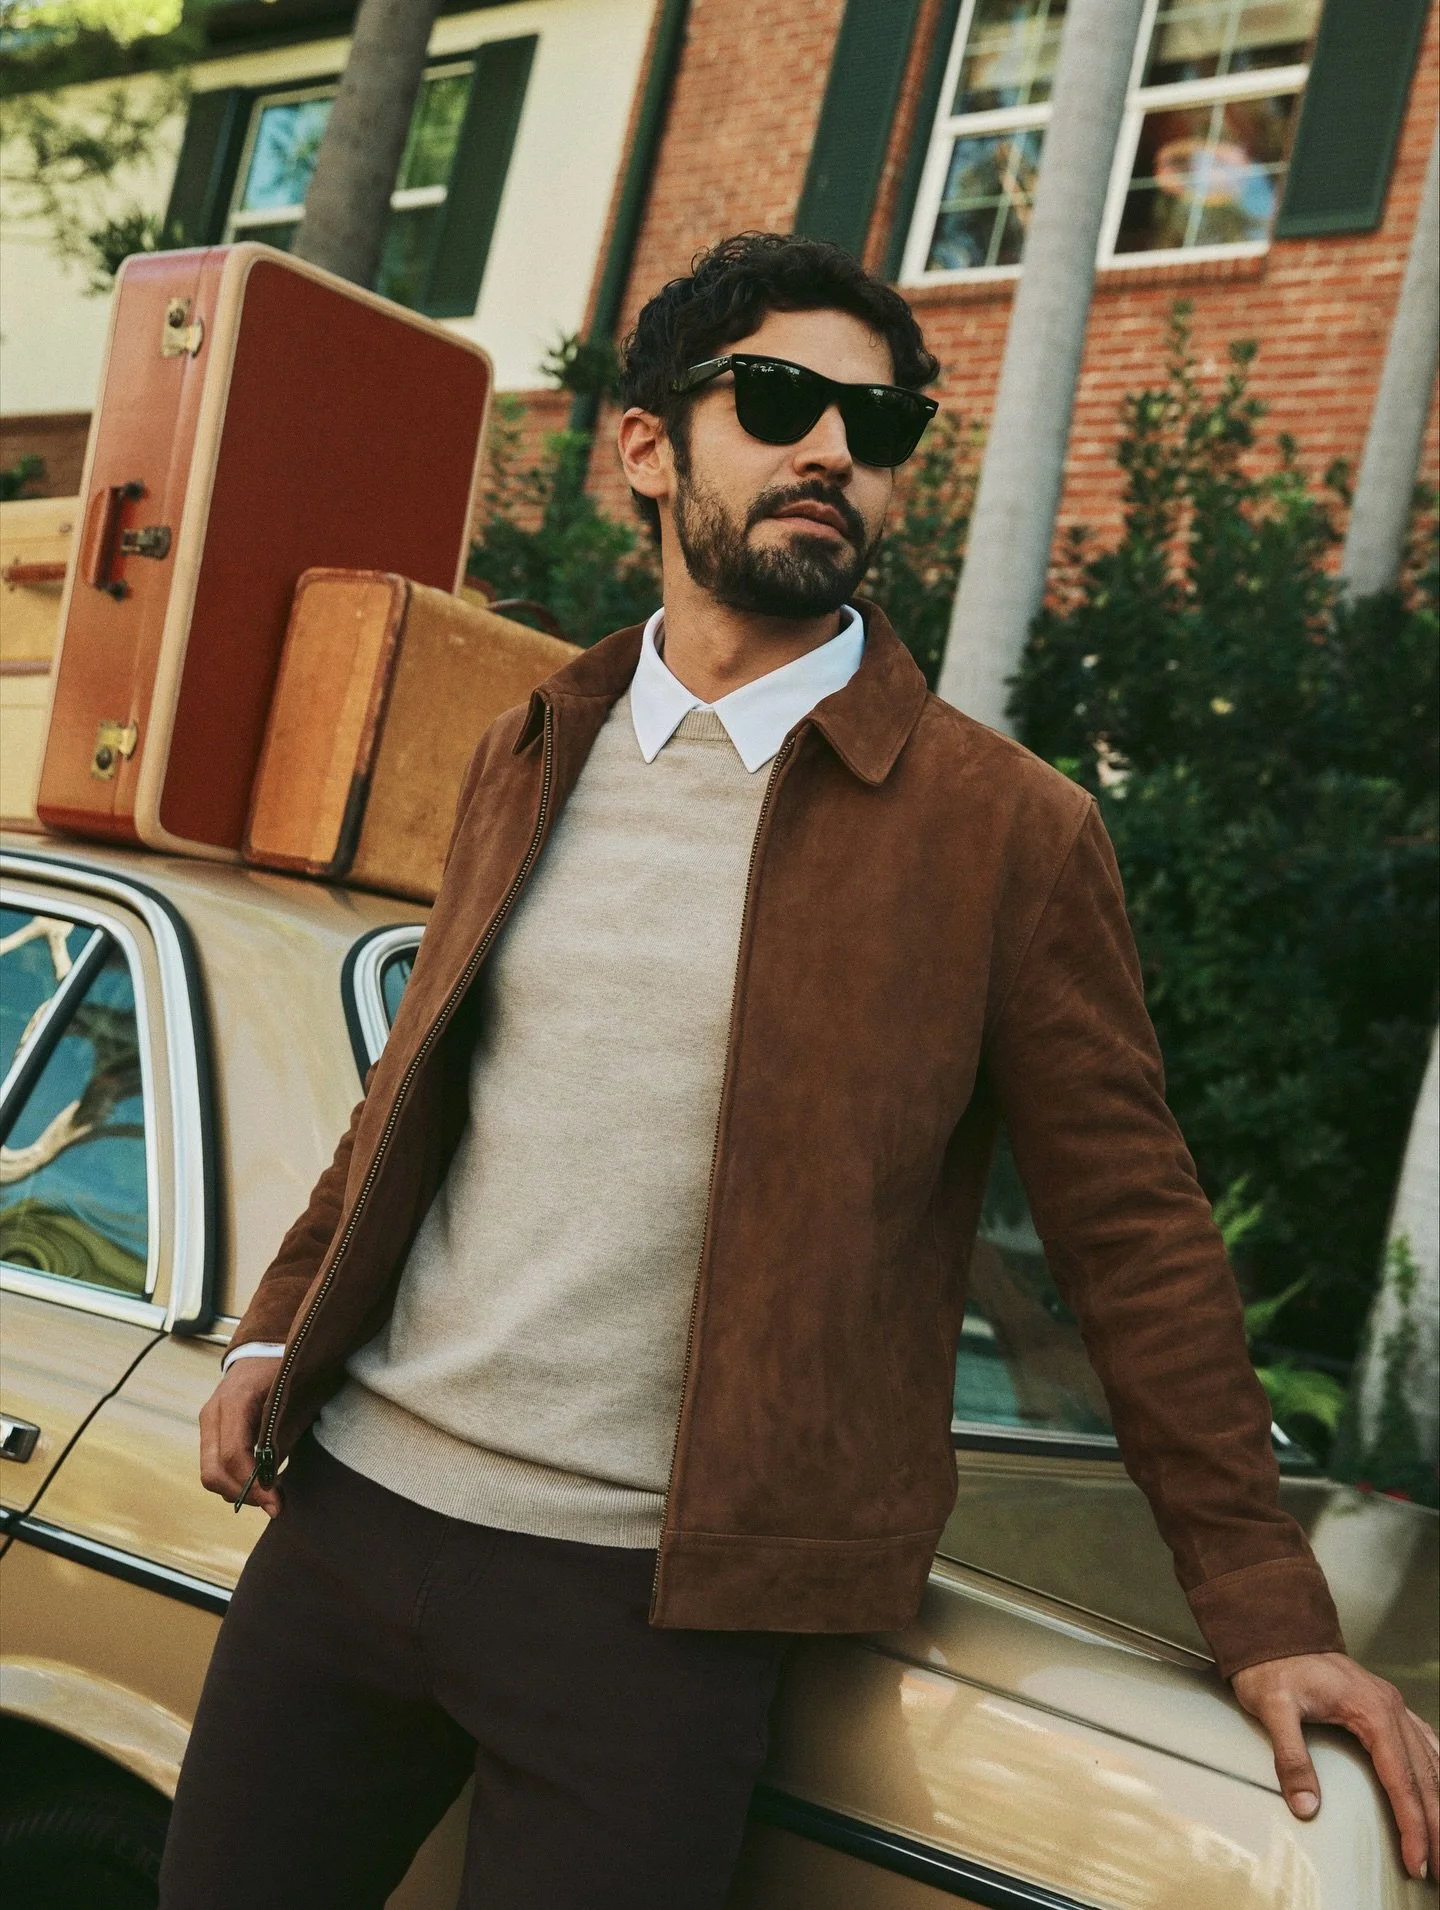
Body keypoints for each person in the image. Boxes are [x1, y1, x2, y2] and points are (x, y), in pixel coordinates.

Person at [160, 233, 1438, 1908]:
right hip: (346, 1528)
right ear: (646, 446)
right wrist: (279, 1322)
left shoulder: (1004, 831)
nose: (834, 449)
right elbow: (418, 1086)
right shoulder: (535, 735)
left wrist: (1267, 1608)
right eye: (778, 401)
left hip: (652, 1621)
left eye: (879, 425)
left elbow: (1135, 1236)